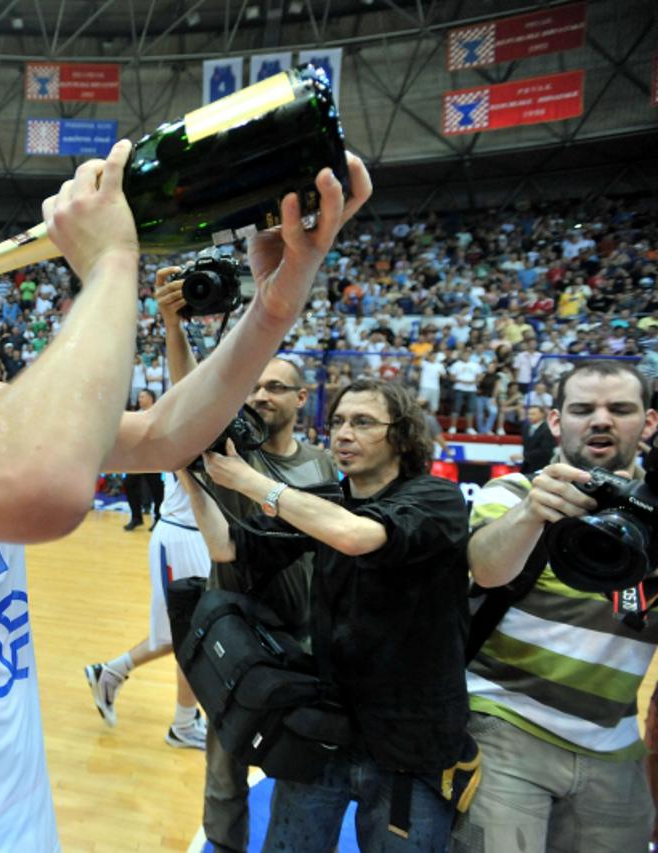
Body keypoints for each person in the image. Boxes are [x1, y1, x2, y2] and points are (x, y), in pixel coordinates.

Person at [0, 145, 370, 848]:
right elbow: (38, 486)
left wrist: (275, 303)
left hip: (20, 814)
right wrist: (110, 262)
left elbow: (166, 434)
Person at [190, 377, 471, 851]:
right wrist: (188, 469)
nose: (343, 433)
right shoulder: (328, 500)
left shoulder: (436, 498)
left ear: (402, 435)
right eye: (338, 421)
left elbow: (355, 535)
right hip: (325, 727)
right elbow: (226, 547)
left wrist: (248, 480)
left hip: (411, 742)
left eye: (363, 422)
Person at [453, 361, 658, 853]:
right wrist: (531, 514)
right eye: (583, 409)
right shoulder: (516, 491)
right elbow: (487, 570)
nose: (601, 420)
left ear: (649, 422)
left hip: (615, 744)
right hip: (504, 725)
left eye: (620, 409)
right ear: (555, 421)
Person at [83, 268, 212, 750]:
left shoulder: (234, 421)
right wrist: (174, 325)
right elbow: (189, 384)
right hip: (182, 535)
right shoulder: (196, 417)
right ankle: (183, 723)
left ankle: (112, 671)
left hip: (203, 537)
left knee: (183, 636)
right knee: (190, 637)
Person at [121, 388, 164, 531]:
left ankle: (159, 518)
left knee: (156, 490)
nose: (139, 399)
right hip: (137, 459)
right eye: (139, 396)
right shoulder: (136, 415)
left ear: (151, 398)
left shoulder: (158, 413)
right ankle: (136, 518)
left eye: (142, 396)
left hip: (153, 459)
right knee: (129, 484)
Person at [513, 403, 555, 476]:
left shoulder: (548, 429)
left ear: (542, 414)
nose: (530, 416)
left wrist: (524, 456)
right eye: (528, 414)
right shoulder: (526, 427)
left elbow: (546, 451)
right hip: (527, 467)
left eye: (533, 414)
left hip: (541, 467)